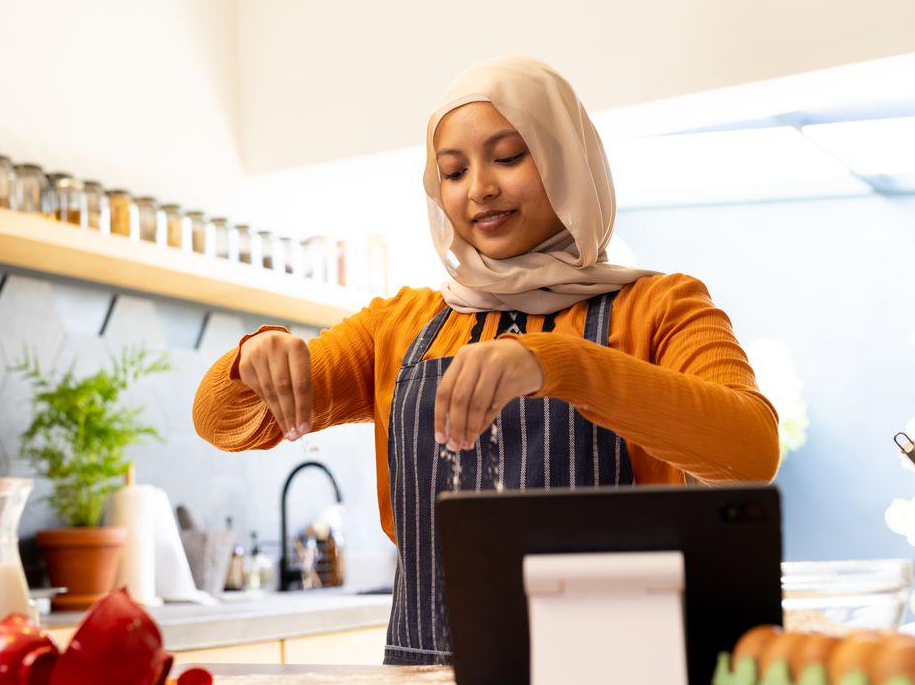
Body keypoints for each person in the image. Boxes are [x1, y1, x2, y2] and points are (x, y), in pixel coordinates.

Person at [192, 55, 780, 666]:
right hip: (435, 672)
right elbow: (221, 419)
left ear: (565, 160)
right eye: (453, 170)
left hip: (617, 668)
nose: (479, 189)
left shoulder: (661, 306)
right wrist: (253, 359)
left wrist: (561, 364)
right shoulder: (401, 326)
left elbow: (750, 452)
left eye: (508, 156)